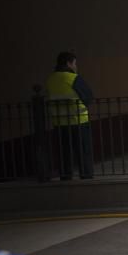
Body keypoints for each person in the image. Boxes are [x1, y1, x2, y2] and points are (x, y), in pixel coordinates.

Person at [45, 51, 94, 180]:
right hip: (78, 121)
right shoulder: (72, 78)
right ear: (68, 63)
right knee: (83, 152)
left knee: (64, 153)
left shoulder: (50, 80)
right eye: (74, 63)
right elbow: (89, 97)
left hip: (59, 124)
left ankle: (65, 177)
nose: (76, 67)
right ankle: (86, 176)